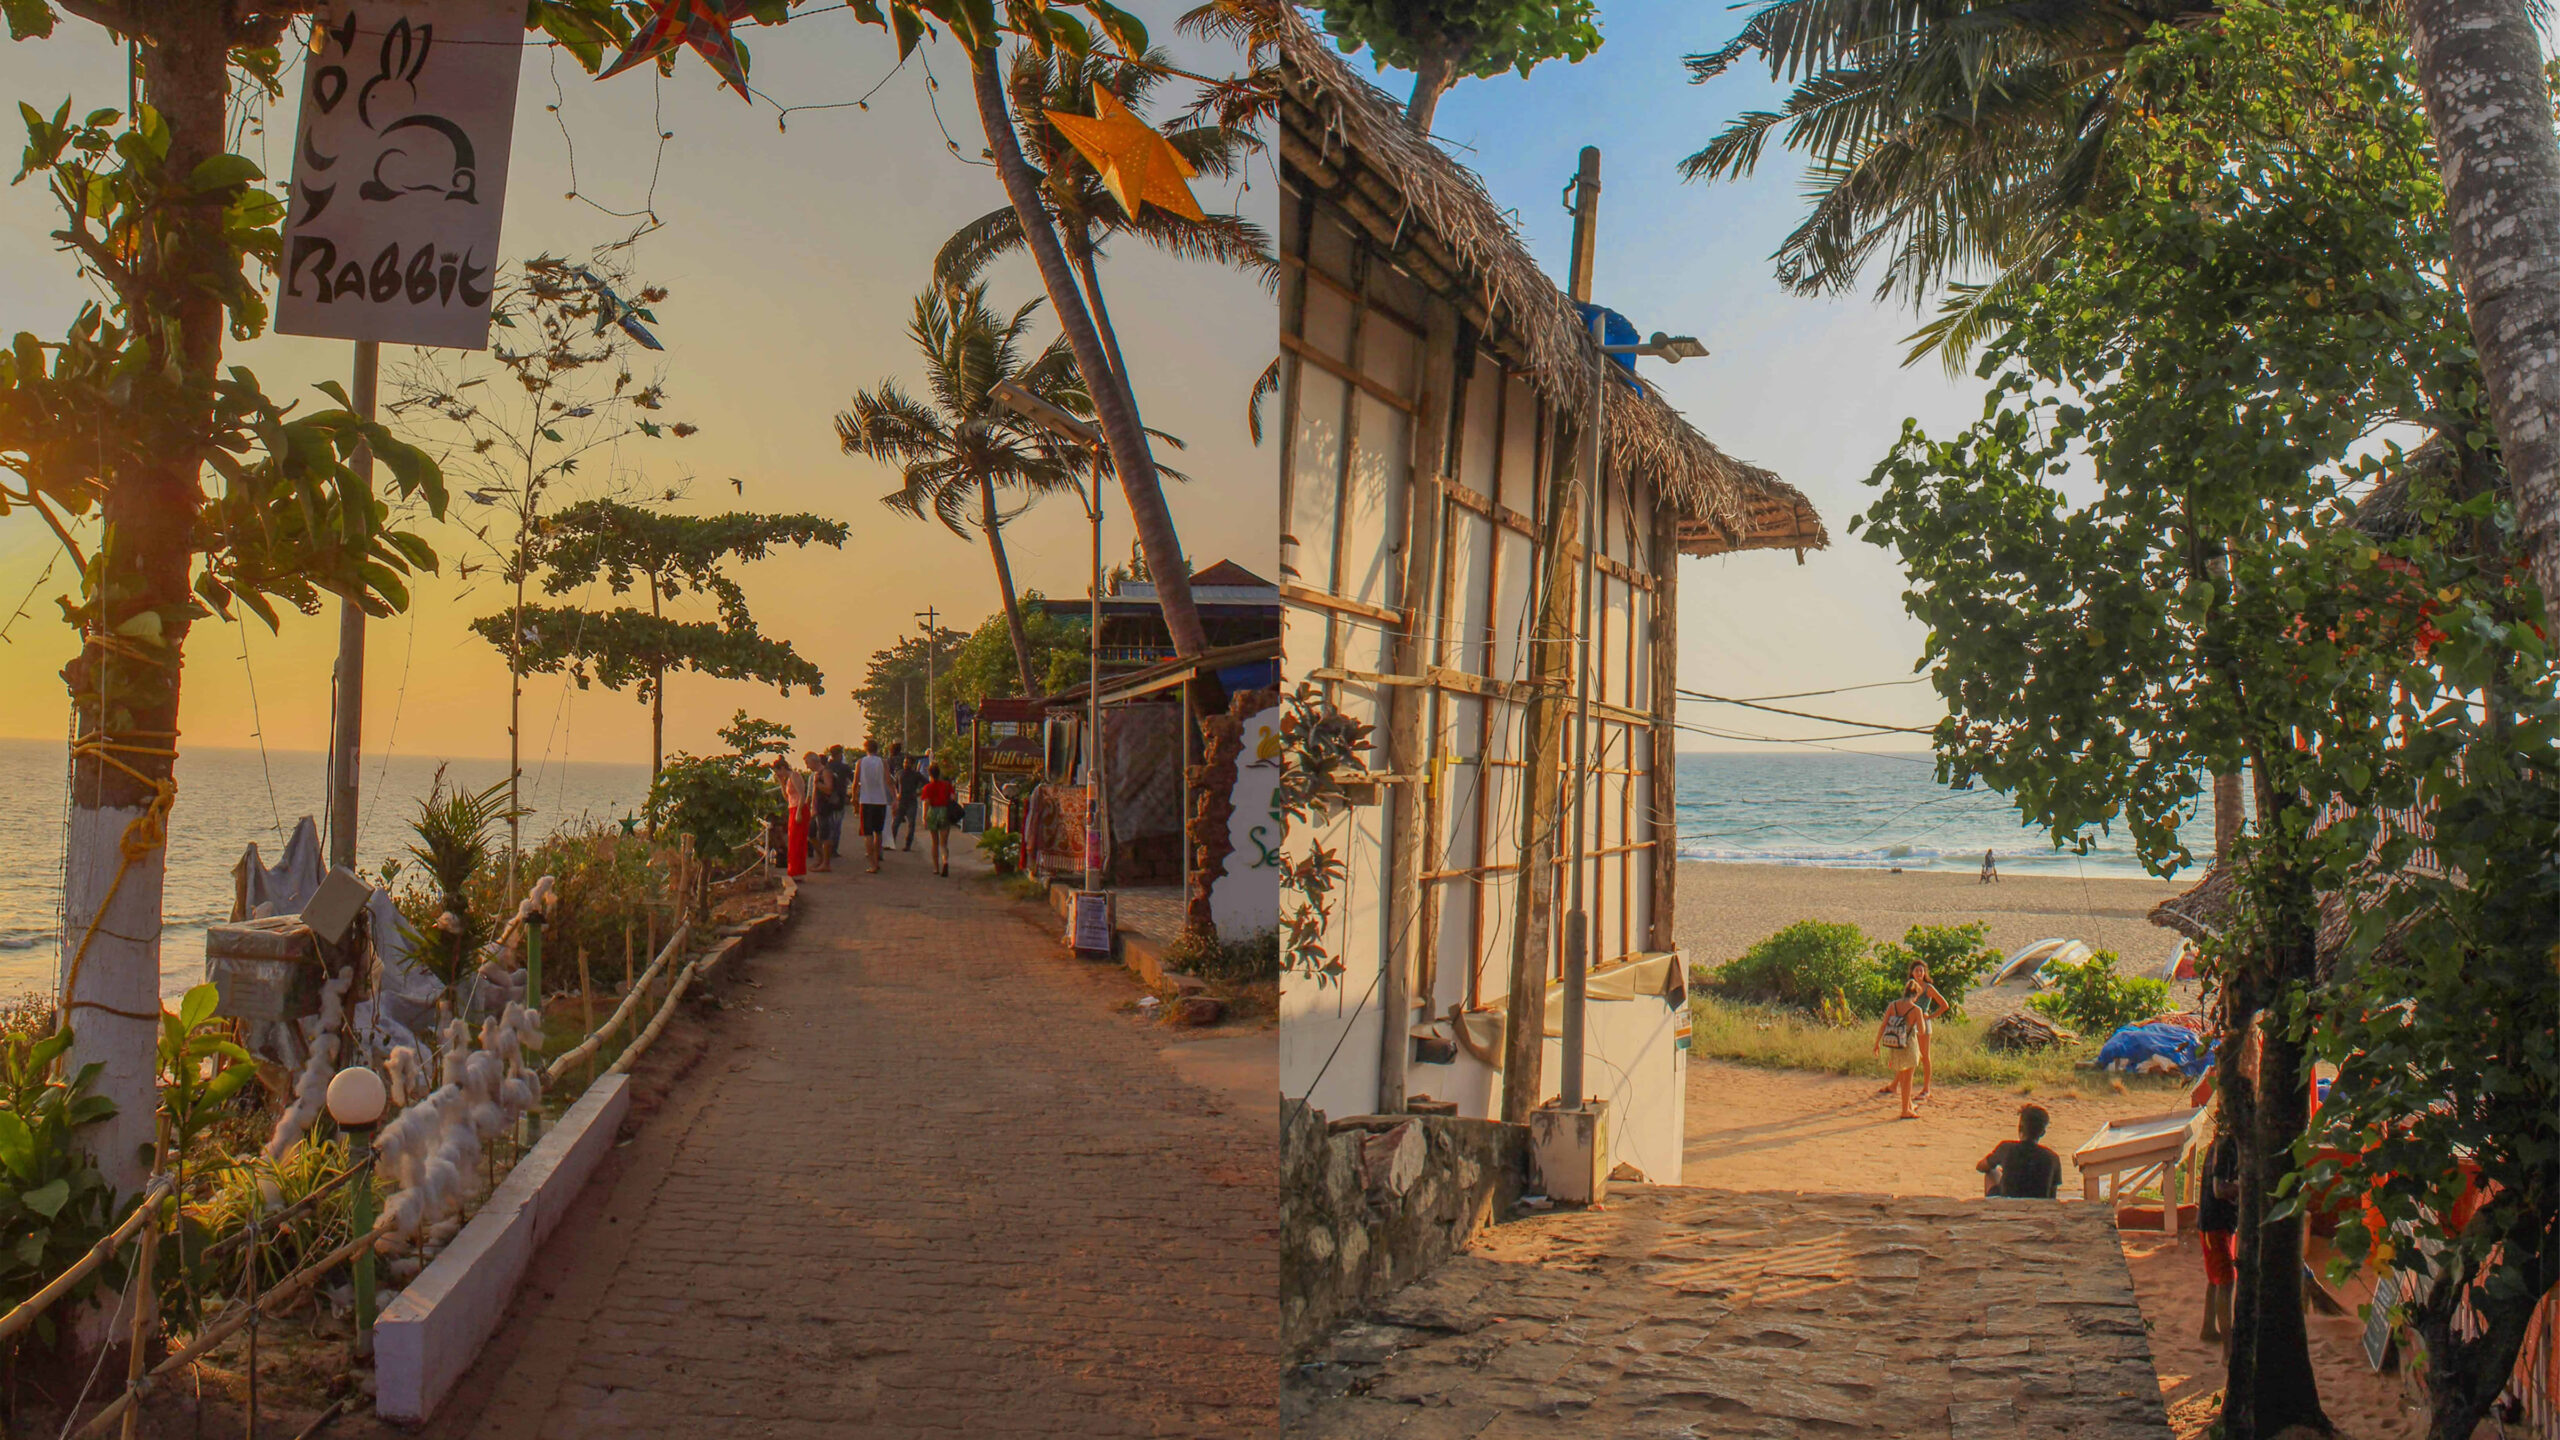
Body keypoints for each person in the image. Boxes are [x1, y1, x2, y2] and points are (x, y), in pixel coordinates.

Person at [1877, 958, 1952, 1104]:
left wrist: (1929, 1016)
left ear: (1925, 973)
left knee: (1924, 1056)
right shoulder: (1911, 987)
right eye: (1917, 970)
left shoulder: (1928, 988)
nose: (1919, 973)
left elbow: (1944, 1005)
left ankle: (1926, 1090)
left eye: (1922, 970)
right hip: (1910, 1026)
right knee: (1905, 1055)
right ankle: (1894, 1085)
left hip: (1923, 1025)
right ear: (1912, 972)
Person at [1976, 1103, 2063, 1199]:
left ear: (2020, 1127)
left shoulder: (2006, 1148)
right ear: (2042, 1133)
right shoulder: (2052, 1157)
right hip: (2038, 1207)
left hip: (2008, 1204)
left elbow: (1981, 1167)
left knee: (1992, 1173)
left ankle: (1991, 1208)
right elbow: (2052, 1195)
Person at [1871, 981, 1926, 1119]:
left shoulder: (1893, 1005)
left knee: (1902, 1076)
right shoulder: (1916, 1009)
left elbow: (1883, 1025)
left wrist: (1877, 1043)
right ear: (1916, 994)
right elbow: (1922, 1031)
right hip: (1909, 1046)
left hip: (1895, 1046)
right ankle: (1905, 1110)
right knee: (1908, 1078)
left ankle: (1908, 1106)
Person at [854, 736, 892, 873]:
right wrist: (894, 798)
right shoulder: (883, 762)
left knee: (867, 833)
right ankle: (878, 856)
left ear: (865, 749)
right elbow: (888, 780)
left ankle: (872, 863)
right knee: (878, 831)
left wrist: (854, 799)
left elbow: (855, 783)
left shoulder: (861, 762)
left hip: (866, 800)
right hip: (880, 800)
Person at [920, 762, 959, 876]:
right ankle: (945, 861)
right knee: (944, 843)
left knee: (934, 842)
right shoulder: (947, 785)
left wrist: (924, 817)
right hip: (944, 812)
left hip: (933, 812)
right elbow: (953, 797)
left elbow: (926, 803)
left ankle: (936, 868)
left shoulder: (927, 787)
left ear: (929, 774)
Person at [777, 755, 809, 878]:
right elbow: (787, 797)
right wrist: (781, 782)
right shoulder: (788, 779)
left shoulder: (794, 776)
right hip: (793, 807)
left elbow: (802, 794)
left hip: (798, 808)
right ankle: (795, 869)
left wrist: (799, 812)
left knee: (797, 841)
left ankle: (796, 870)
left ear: (783, 768)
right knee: (793, 840)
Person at [895, 747, 926, 851]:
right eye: (904, 762)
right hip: (901, 801)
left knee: (911, 824)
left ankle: (908, 845)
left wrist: (919, 792)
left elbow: (927, 784)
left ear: (912, 764)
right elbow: (894, 786)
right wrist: (896, 794)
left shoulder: (916, 774)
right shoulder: (899, 773)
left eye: (907, 762)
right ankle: (891, 842)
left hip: (911, 801)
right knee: (895, 823)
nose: (905, 764)